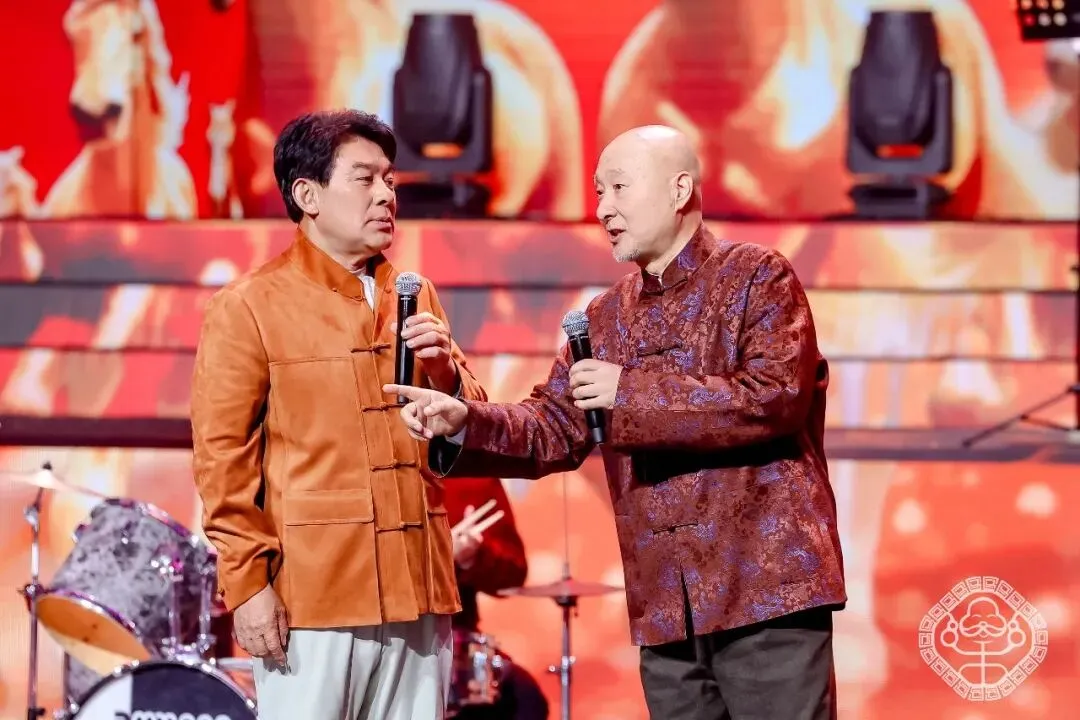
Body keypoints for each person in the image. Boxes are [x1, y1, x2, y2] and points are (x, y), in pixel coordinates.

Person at [384, 125, 846, 720]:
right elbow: (551, 426)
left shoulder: (758, 276)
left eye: (619, 188)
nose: (603, 209)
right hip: (666, 608)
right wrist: (463, 420)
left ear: (680, 190)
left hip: (766, 591)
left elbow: (773, 397)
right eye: (598, 192)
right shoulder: (605, 316)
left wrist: (628, 392)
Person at [190, 109, 487, 719]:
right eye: (365, 178)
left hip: (420, 587)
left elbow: (473, 426)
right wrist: (247, 585)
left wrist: (445, 375)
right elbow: (222, 463)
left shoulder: (415, 295)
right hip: (314, 598)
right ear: (308, 195)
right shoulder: (248, 306)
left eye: (390, 180)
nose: (386, 195)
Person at [445, 477, 550, 719]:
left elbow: (514, 570)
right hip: (384, 639)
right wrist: (439, 557)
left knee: (525, 699)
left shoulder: (472, 475)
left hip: (454, 640)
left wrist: (473, 558)